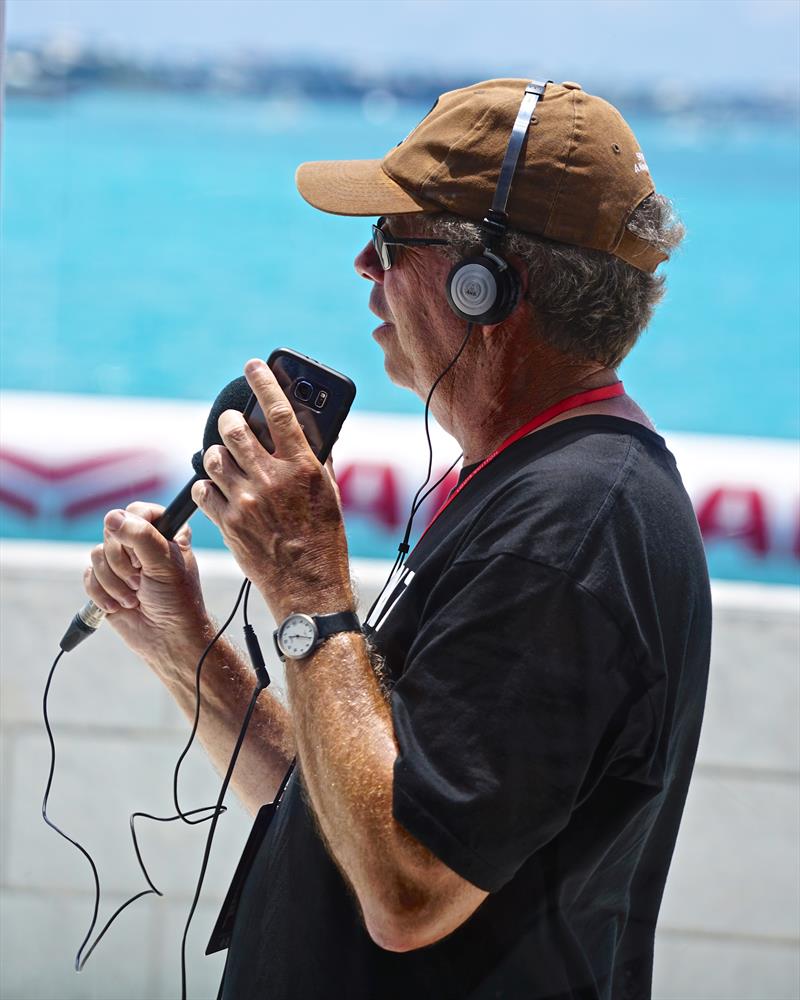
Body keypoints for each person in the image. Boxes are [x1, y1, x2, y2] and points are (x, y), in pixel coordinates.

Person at [84, 79, 711, 999]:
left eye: (390, 240)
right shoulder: (539, 493)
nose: (362, 267)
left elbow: (408, 887)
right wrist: (185, 646)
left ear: (488, 285)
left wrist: (305, 581)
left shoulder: (570, 530)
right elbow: (349, 802)